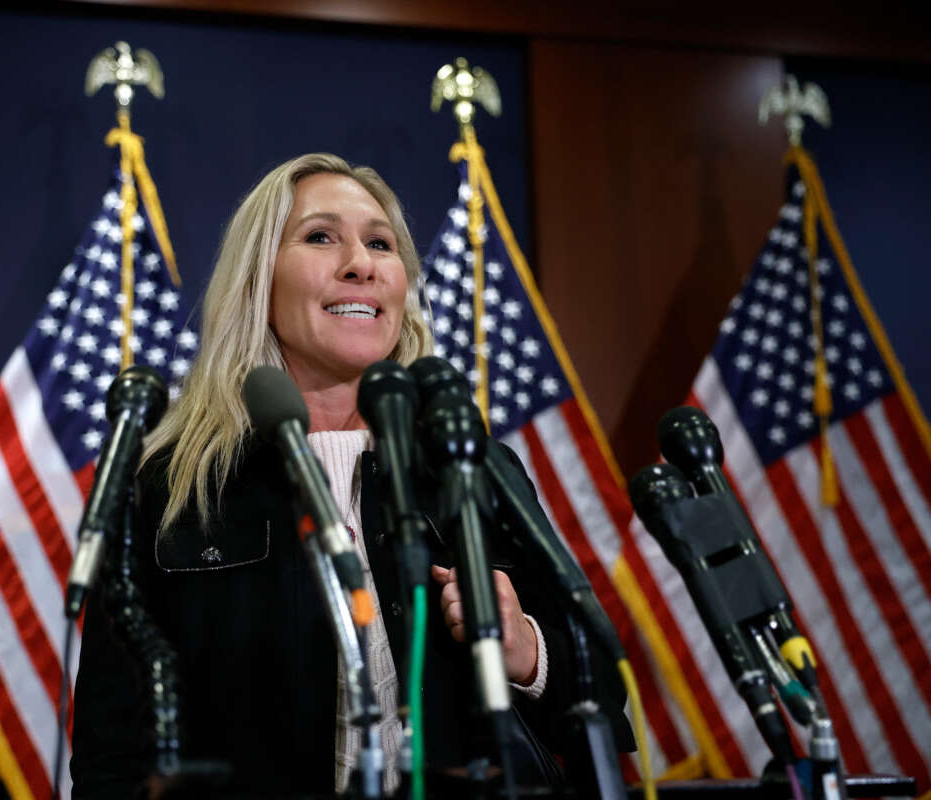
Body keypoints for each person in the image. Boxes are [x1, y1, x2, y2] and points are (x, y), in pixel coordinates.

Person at [70, 153, 633, 798]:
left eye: (380, 243)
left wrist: (525, 651)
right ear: (259, 280)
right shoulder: (167, 486)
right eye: (320, 236)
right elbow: (111, 756)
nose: (362, 263)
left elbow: (605, 703)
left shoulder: (471, 465)